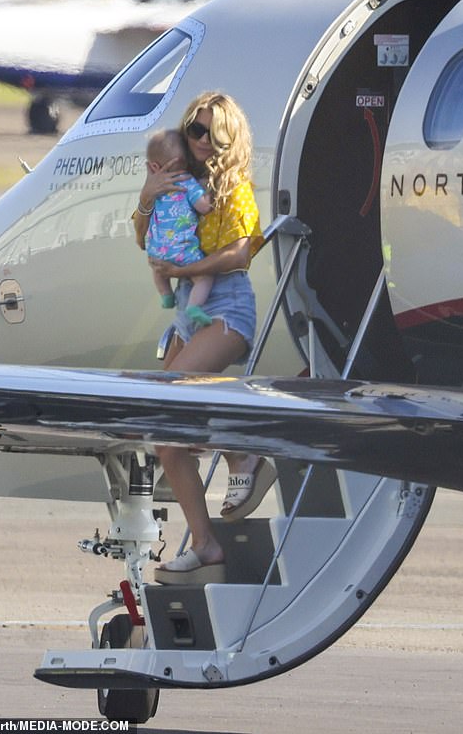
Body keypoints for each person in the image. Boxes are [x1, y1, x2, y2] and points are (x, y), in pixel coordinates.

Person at [134, 92, 277, 584]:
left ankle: (242, 454)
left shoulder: (235, 188)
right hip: (189, 311)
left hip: (228, 307)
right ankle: (205, 544)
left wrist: (184, 268)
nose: (200, 139)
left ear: (229, 138)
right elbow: (145, 238)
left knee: (172, 398)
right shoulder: (179, 180)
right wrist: (146, 197)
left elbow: (239, 256)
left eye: (212, 132)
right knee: (166, 440)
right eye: (195, 128)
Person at [144, 129, 214, 327]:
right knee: (204, 278)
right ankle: (194, 305)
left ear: (154, 166)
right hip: (183, 251)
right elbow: (204, 207)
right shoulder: (188, 183)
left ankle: (166, 294)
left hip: (157, 250)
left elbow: (144, 212)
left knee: (157, 271)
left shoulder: (155, 188)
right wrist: (208, 190)